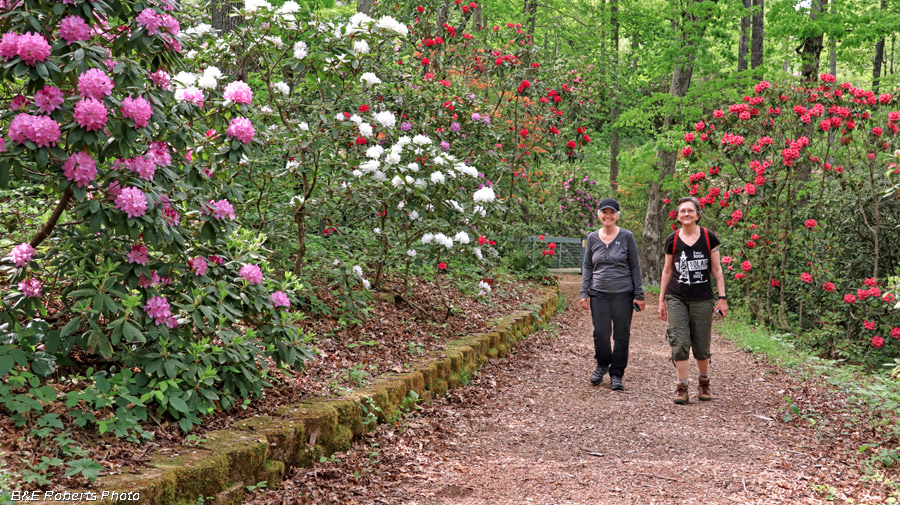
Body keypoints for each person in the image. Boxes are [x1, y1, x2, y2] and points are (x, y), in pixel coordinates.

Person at [658, 196, 728, 404]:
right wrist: (661, 301)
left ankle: (704, 381)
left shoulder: (708, 237)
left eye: (690, 211)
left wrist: (722, 298)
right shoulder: (672, 239)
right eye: (682, 211)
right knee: (679, 342)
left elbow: (716, 269)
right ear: (678, 216)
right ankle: (682, 386)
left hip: (702, 298)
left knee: (701, 344)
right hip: (676, 297)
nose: (686, 214)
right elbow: (667, 270)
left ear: (698, 215)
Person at [580, 198, 645, 391]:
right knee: (600, 333)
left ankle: (617, 373)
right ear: (599, 215)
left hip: (623, 294)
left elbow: (635, 266)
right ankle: (602, 364)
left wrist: (639, 294)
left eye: (612, 213)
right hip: (599, 294)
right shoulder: (592, 237)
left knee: (621, 335)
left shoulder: (626, 236)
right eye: (604, 212)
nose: (608, 216)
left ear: (617, 215)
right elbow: (587, 266)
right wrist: (584, 291)